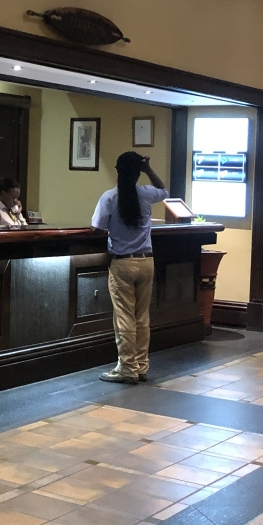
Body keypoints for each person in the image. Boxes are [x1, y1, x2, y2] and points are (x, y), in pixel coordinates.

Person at [91, 151, 168, 383]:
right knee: (142, 316)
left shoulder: (109, 197)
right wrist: (149, 169)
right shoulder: (146, 194)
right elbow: (164, 190)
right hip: (146, 261)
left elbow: (96, 227)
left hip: (122, 263)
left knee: (124, 317)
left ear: (117, 171)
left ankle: (126, 367)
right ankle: (141, 366)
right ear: (138, 172)